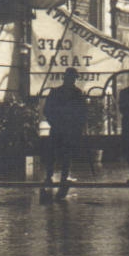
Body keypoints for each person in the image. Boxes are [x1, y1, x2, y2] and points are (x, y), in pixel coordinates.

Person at [40, 67, 87, 201]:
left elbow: (82, 112)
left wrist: (76, 125)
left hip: (66, 129)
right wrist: (56, 122)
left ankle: (61, 177)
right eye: (70, 78)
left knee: (65, 154)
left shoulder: (76, 93)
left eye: (73, 78)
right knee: (54, 153)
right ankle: (51, 176)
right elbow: (48, 110)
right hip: (61, 128)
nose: (71, 80)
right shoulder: (58, 93)